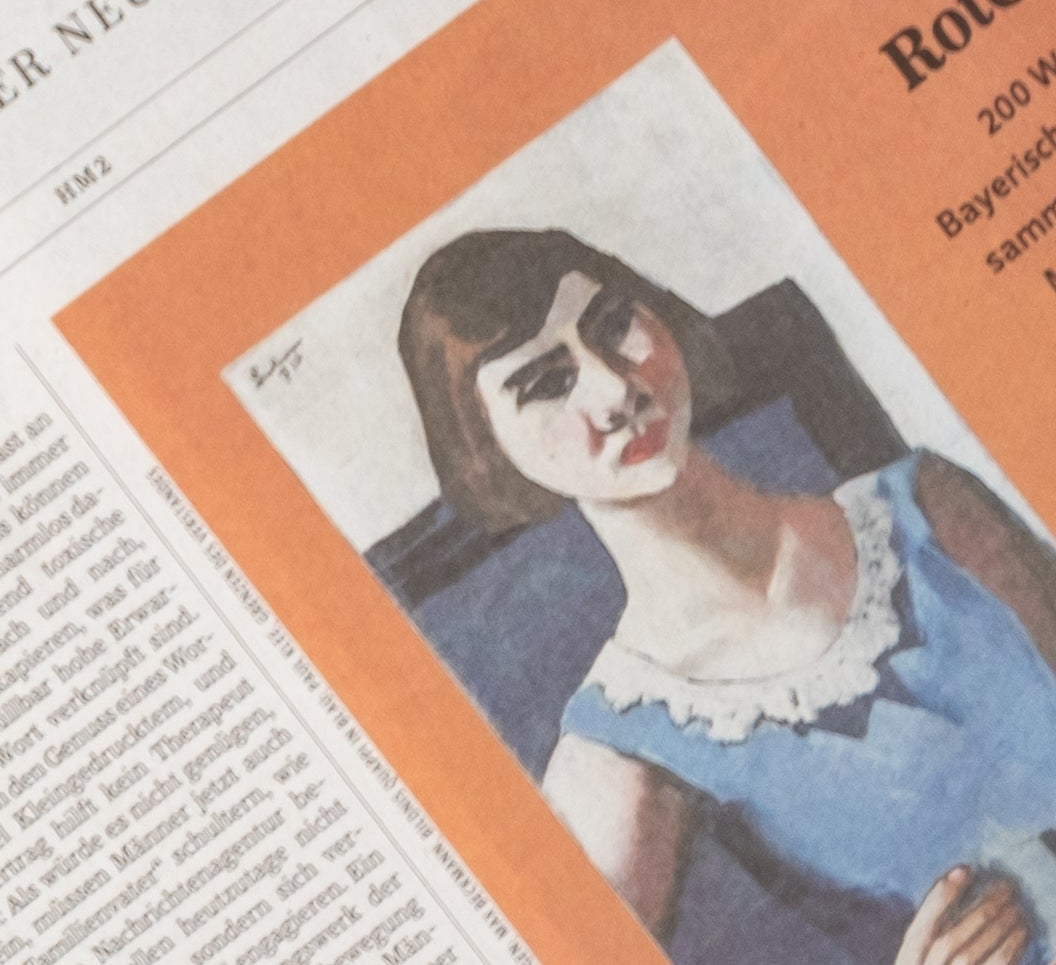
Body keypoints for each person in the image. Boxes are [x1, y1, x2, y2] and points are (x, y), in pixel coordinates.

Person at [397, 228, 1056, 965]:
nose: (615, 389)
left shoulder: (929, 501)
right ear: (488, 449)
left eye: (614, 323)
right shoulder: (620, 753)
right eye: (546, 381)